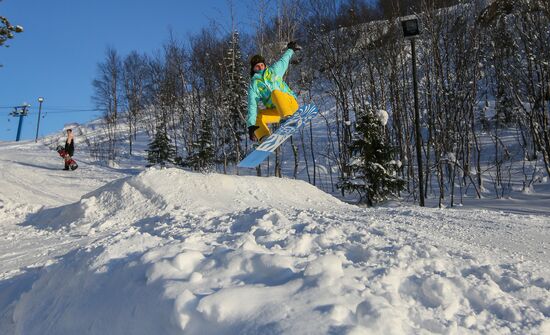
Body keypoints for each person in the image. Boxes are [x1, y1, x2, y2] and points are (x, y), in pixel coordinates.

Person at [247, 41, 302, 142]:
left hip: (290, 106)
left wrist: (291, 49)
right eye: (257, 66)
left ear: (264, 65)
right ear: (253, 69)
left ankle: (288, 118)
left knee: (275, 93)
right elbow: (252, 105)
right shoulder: (254, 85)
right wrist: (251, 125)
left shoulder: (274, 71)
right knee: (256, 115)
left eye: (261, 65)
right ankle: (264, 137)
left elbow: (283, 60)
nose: (260, 67)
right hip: (277, 113)